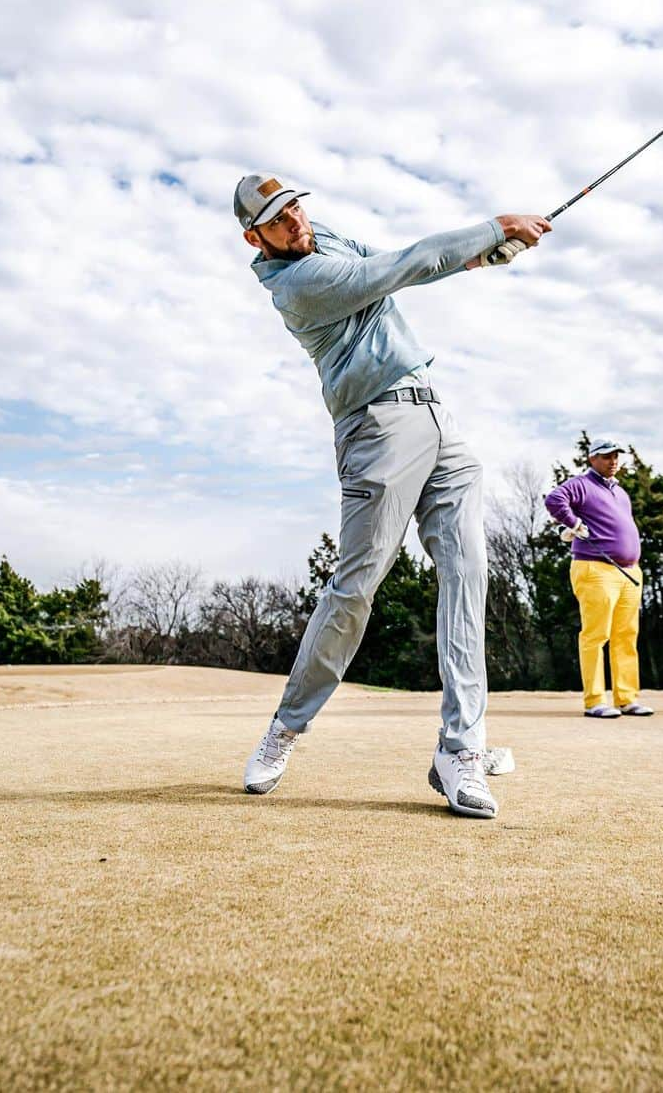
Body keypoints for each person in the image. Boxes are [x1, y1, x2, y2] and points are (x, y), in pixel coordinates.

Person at [236, 172, 550, 818]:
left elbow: (416, 267)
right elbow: (400, 267)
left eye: (294, 205)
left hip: (437, 416)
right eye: (277, 218)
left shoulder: (322, 236)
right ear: (254, 236)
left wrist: (483, 256)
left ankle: (460, 749)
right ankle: (287, 727)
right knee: (356, 589)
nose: (295, 221)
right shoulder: (297, 286)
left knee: (469, 574)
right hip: (377, 428)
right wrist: (495, 227)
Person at [544, 440, 654, 719]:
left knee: (626, 637)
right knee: (596, 635)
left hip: (629, 571)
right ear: (592, 458)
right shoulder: (582, 484)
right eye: (606, 456)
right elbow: (554, 499)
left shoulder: (621, 492)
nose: (613, 460)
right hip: (595, 568)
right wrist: (574, 524)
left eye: (616, 456)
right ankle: (595, 700)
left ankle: (626, 698)